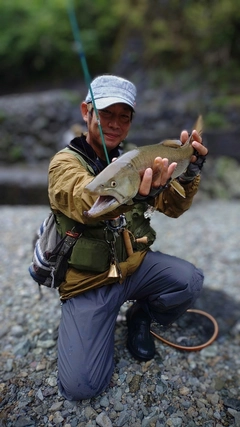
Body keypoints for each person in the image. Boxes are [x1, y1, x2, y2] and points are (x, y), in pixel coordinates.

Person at [48, 75, 208, 401]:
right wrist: (129, 193)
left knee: (189, 280)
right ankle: (96, 322)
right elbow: (82, 197)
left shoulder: (138, 158)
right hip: (88, 283)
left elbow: (173, 207)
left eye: (124, 116)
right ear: (86, 111)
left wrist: (190, 170)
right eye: (107, 113)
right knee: (82, 387)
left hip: (133, 268)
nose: (115, 124)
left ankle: (141, 316)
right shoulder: (65, 163)